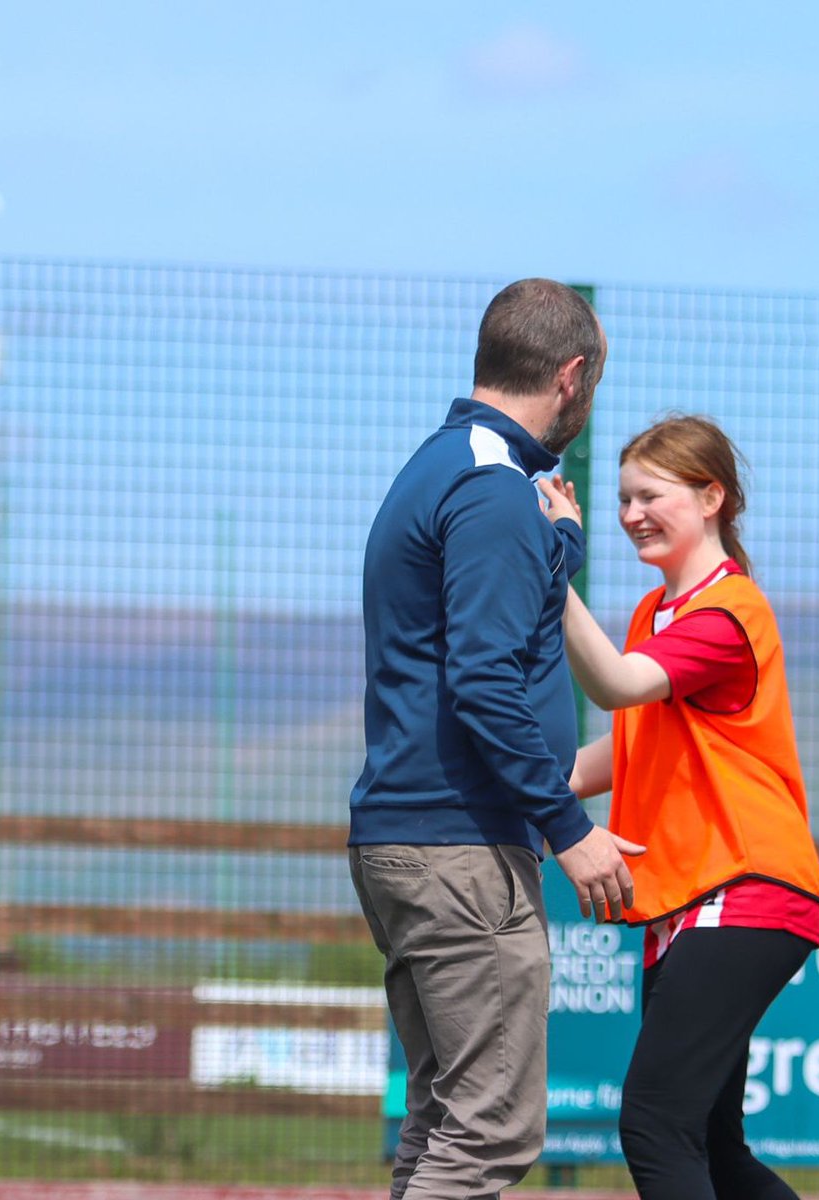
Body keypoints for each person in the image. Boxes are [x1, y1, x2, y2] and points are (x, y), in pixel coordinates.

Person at [348, 278, 643, 1200]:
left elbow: (483, 626)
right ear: (572, 374)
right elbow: (482, 679)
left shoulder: (454, 469)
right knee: (491, 1134)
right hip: (460, 846)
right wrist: (569, 827)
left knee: (444, 1119)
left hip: (417, 838)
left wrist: (560, 549)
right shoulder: (492, 490)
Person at [539, 415, 819, 1200]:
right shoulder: (648, 616)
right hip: (694, 894)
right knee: (707, 1142)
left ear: (711, 498)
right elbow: (629, 744)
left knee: (654, 1123)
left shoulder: (727, 613)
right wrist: (531, 786)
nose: (632, 512)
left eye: (651, 495)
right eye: (625, 497)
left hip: (747, 886)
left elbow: (619, 685)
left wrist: (551, 571)